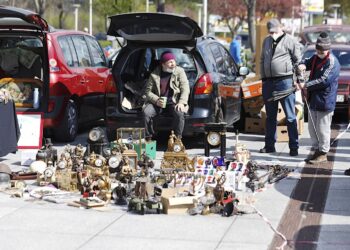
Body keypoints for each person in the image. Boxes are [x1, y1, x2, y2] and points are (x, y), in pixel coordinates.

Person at [259, 18, 302, 156]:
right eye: (270, 31)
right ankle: (269, 145)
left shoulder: (290, 40)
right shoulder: (266, 41)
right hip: (268, 83)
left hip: (285, 81)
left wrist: (299, 79)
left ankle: (294, 147)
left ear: (280, 28)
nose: (272, 34)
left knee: (290, 116)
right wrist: (263, 79)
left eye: (274, 31)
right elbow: (262, 59)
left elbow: (298, 61)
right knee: (270, 117)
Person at [298, 32, 340, 164]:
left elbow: (324, 80)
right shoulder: (316, 57)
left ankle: (323, 152)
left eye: (322, 51)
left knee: (323, 129)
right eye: (317, 50)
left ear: (327, 49)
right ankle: (317, 150)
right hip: (313, 100)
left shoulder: (333, 62)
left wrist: (306, 85)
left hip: (325, 100)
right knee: (312, 129)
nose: (319, 52)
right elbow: (307, 62)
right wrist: (302, 65)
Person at [143, 51, 190, 141]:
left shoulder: (179, 71)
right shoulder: (154, 74)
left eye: (174, 61)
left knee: (179, 114)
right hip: (158, 102)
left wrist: (181, 102)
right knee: (146, 113)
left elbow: (185, 88)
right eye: (170, 62)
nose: (173, 64)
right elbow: (148, 92)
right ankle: (148, 138)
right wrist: (157, 100)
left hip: (174, 101)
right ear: (163, 64)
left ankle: (177, 139)